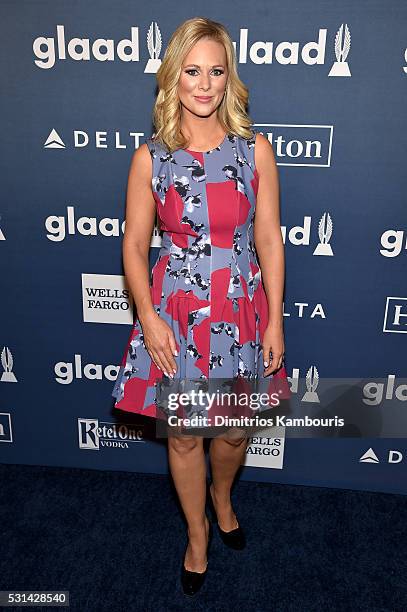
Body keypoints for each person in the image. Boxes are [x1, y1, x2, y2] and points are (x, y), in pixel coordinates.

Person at [111, 17, 291, 596]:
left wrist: (276, 317)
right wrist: (149, 315)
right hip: (178, 313)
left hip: (240, 308)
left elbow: (268, 239)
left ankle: (222, 495)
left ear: (228, 77)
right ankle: (196, 533)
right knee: (186, 437)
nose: (205, 84)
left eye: (216, 71)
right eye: (193, 71)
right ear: (174, 77)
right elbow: (134, 245)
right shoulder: (152, 158)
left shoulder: (254, 151)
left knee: (234, 433)